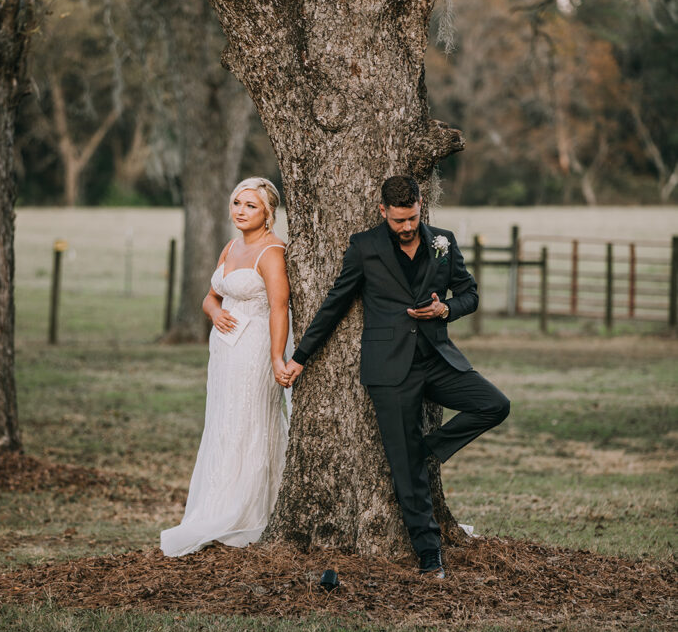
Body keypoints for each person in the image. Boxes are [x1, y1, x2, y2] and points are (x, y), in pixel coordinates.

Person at [282, 175, 510, 578]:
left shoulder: (444, 242)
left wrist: (446, 310)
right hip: (388, 368)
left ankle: (426, 448)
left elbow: (470, 293)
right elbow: (334, 304)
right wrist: (301, 356)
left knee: (494, 404)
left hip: (437, 359)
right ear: (383, 211)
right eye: (398, 220)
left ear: (421, 205)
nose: (406, 227)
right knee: (407, 476)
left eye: (412, 218)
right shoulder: (364, 248)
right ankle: (429, 554)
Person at [161, 177, 291, 557]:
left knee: (248, 422)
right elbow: (210, 297)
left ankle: (247, 509)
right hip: (223, 352)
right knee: (223, 421)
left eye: (250, 205)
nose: (240, 210)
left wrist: (276, 357)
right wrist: (216, 312)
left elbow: (279, 308)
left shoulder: (272, 253)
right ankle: (216, 503)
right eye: (236, 202)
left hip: (254, 350)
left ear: (268, 213)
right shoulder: (231, 247)